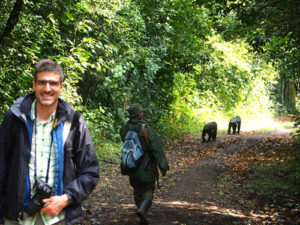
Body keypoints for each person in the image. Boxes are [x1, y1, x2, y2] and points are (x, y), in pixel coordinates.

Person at [0, 59, 100, 225]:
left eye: (53, 83)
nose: (47, 89)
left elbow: (90, 170)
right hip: (17, 217)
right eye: (42, 83)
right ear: (34, 85)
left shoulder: (73, 121)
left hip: (57, 217)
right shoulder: (15, 118)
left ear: (61, 86)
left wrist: (67, 199)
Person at [120, 104, 169, 225]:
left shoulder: (125, 128)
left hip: (132, 163)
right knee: (148, 188)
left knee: (136, 187)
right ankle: (142, 209)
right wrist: (163, 166)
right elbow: (156, 148)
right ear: (139, 114)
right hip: (146, 164)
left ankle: (139, 208)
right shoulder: (146, 128)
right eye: (141, 112)